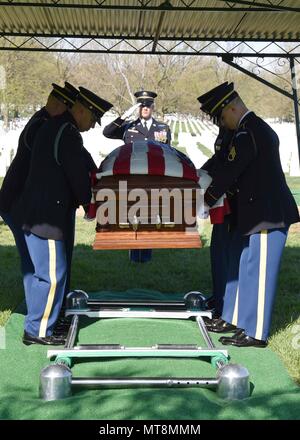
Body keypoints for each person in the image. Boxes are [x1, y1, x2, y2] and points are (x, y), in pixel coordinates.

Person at [200, 82, 299, 347]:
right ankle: (238, 320)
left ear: (232, 108)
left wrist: (206, 199)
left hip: (268, 213)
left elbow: (230, 171)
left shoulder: (250, 133)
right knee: (244, 267)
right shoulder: (248, 130)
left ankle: (256, 332)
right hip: (256, 212)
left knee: (260, 272)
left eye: (223, 117)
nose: (223, 123)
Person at [12, 87, 113, 345]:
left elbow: (80, 160)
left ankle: (43, 322)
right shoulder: (67, 133)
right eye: (92, 119)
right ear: (81, 110)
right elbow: (77, 174)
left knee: (40, 274)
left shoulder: (56, 126)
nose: (91, 126)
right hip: (47, 216)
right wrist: (90, 203)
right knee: (52, 275)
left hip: (35, 210)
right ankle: (38, 330)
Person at [0, 83, 77, 298]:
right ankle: (39, 313)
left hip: (26, 202)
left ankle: (46, 309)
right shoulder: (44, 125)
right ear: (60, 105)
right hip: (21, 203)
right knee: (38, 268)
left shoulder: (44, 122)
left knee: (38, 266)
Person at [103, 90, 171, 263]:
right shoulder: (128, 127)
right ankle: (134, 255)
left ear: (153, 107)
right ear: (138, 108)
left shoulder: (163, 128)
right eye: (142, 105)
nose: (145, 108)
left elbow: (168, 153)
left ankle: (146, 256)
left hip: (153, 178)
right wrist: (124, 116)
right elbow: (107, 132)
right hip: (132, 178)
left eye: (148, 105)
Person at [197, 83, 236, 318]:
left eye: (217, 115)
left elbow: (228, 169)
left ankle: (224, 302)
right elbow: (218, 159)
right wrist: (196, 172)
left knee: (225, 254)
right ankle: (219, 295)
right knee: (218, 251)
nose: (216, 121)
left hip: (230, 203)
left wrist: (208, 198)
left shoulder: (237, 132)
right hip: (222, 200)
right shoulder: (226, 131)